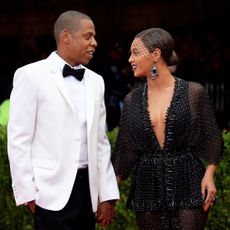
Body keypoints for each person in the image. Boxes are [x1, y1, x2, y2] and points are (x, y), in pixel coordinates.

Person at [7, 10, 119, 230]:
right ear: (66, 36)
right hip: (49, 192)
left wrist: (107, 195)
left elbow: (101, 143)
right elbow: (19, 138)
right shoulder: (30, 75)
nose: (94, 43)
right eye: (88, 36)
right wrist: (28, 193)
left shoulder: (96, 81)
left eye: (94, 37)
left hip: (88, 191)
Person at [112, 28, 223, 230]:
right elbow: (124, 154)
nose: (130, 59)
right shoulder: (132, 101)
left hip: (189, 181)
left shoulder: (194, 92)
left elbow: (213, 139)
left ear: (155, 54)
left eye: (136, 52)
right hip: (147, 187)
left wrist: (209, 174)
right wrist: (106, 195)